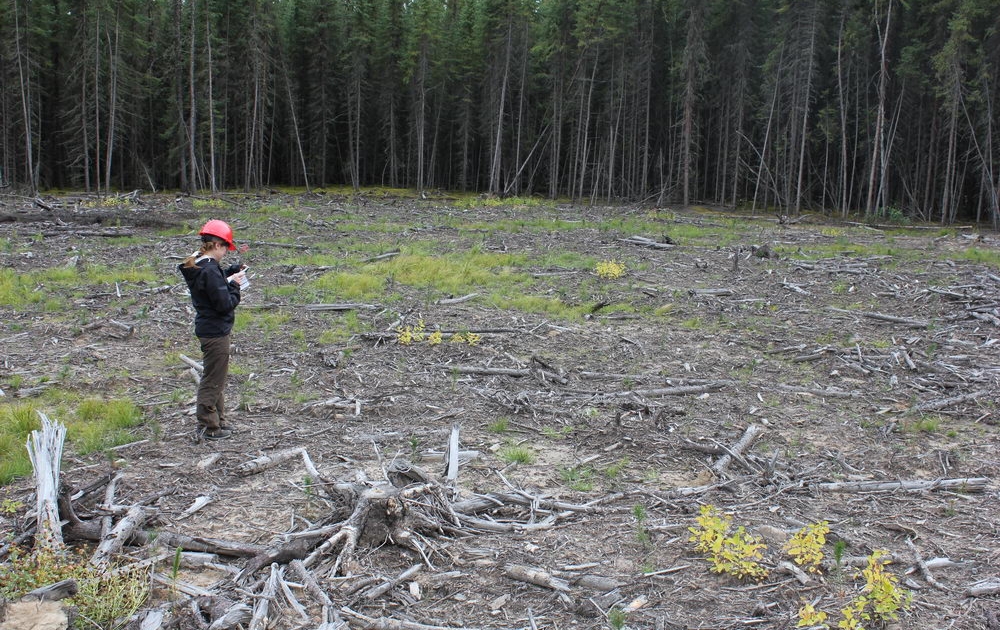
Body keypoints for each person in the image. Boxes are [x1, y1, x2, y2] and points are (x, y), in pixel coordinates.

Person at [179, 220, 247, 441]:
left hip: (210, 329)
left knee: (217, 378)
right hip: (216, 332)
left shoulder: (201, 264)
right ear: (217, 244)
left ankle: (218, 421)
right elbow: (224, 304)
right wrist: (235, 286)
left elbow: (213, 284)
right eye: (226, 247)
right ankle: (208, 426)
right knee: (213, 380)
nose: (226, 252)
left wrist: (230, 273)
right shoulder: (208, 270)